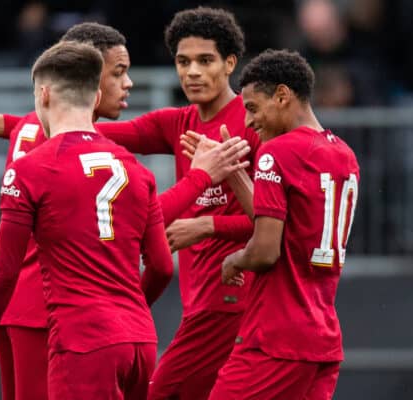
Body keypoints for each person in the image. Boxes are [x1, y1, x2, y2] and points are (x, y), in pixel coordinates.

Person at [0, 21, 251, 400]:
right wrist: (199, 184)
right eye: (117, 72)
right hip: (58, 315)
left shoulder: (36, 133)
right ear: (89, 82)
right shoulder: (121, 162)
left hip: (22, 310)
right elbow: (138, 235)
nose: (127, 83)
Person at [0, 40, 173, 400]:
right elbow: (163, 266)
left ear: (43, 94)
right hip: (140, 341)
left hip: (83, 342)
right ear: (95, 95)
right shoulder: (136, 169)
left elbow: (3, 268)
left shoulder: (30, 169)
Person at [95, 7, 261, 399]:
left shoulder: (253, 125)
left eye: (205, 61)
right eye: (183, 62)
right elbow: (85, 130)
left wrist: (206, 226)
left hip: (232, 300)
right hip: (200, 302)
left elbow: (276, 223)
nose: (192, 73)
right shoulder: (176, 124)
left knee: (159, 393)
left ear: (230, 63)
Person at [208, 49, 360, 399]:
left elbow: (264, 252)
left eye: (252, 107)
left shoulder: (277, 152)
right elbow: (286, 229)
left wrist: (233, 259)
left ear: (282, 95)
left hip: (275, 337)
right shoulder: (344, 154)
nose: (248, 121)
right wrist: (234, 175)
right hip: (322, 340)